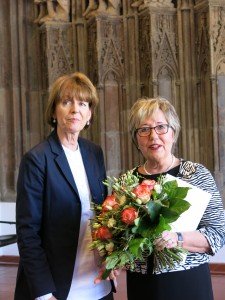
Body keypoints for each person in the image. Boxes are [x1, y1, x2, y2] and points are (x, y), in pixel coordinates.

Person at [14, 72, 116, 300]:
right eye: (66, 101)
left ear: (90, 114)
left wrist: (112, 259)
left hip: (98, 282)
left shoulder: (94, 153)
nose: (75, 109)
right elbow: (28, 233)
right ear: (53, 111)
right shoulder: (37, 159)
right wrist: (44, 294)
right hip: (58, 286)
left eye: (83, 103)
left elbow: (103, 215)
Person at [126, 96, 225, 300]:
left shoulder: (196, 175)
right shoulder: (127, 181)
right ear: (136, 139)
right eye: (144, 129)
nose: (153, 136)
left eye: (161, 127)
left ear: (173, 132)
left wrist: (178, 238)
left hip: (187, 284)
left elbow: (218, 232)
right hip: (142, 285)